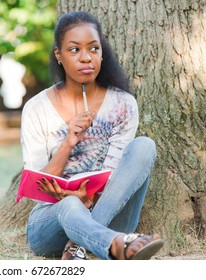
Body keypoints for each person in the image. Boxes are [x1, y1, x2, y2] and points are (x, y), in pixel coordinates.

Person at [20, 11, 164, 260]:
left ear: (101, 53)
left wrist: (89, 201)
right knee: (71, 205)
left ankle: (84, 246)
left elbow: (117, 176)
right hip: (51, 223)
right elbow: (37, 185)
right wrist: (68, 143)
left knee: (144, 146)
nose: (86, 58)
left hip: (110, 214)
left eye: (93, 48)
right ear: (59, 56)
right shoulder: (37, 108)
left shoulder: (123, 104)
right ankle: (113, 245)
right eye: (74, 50)